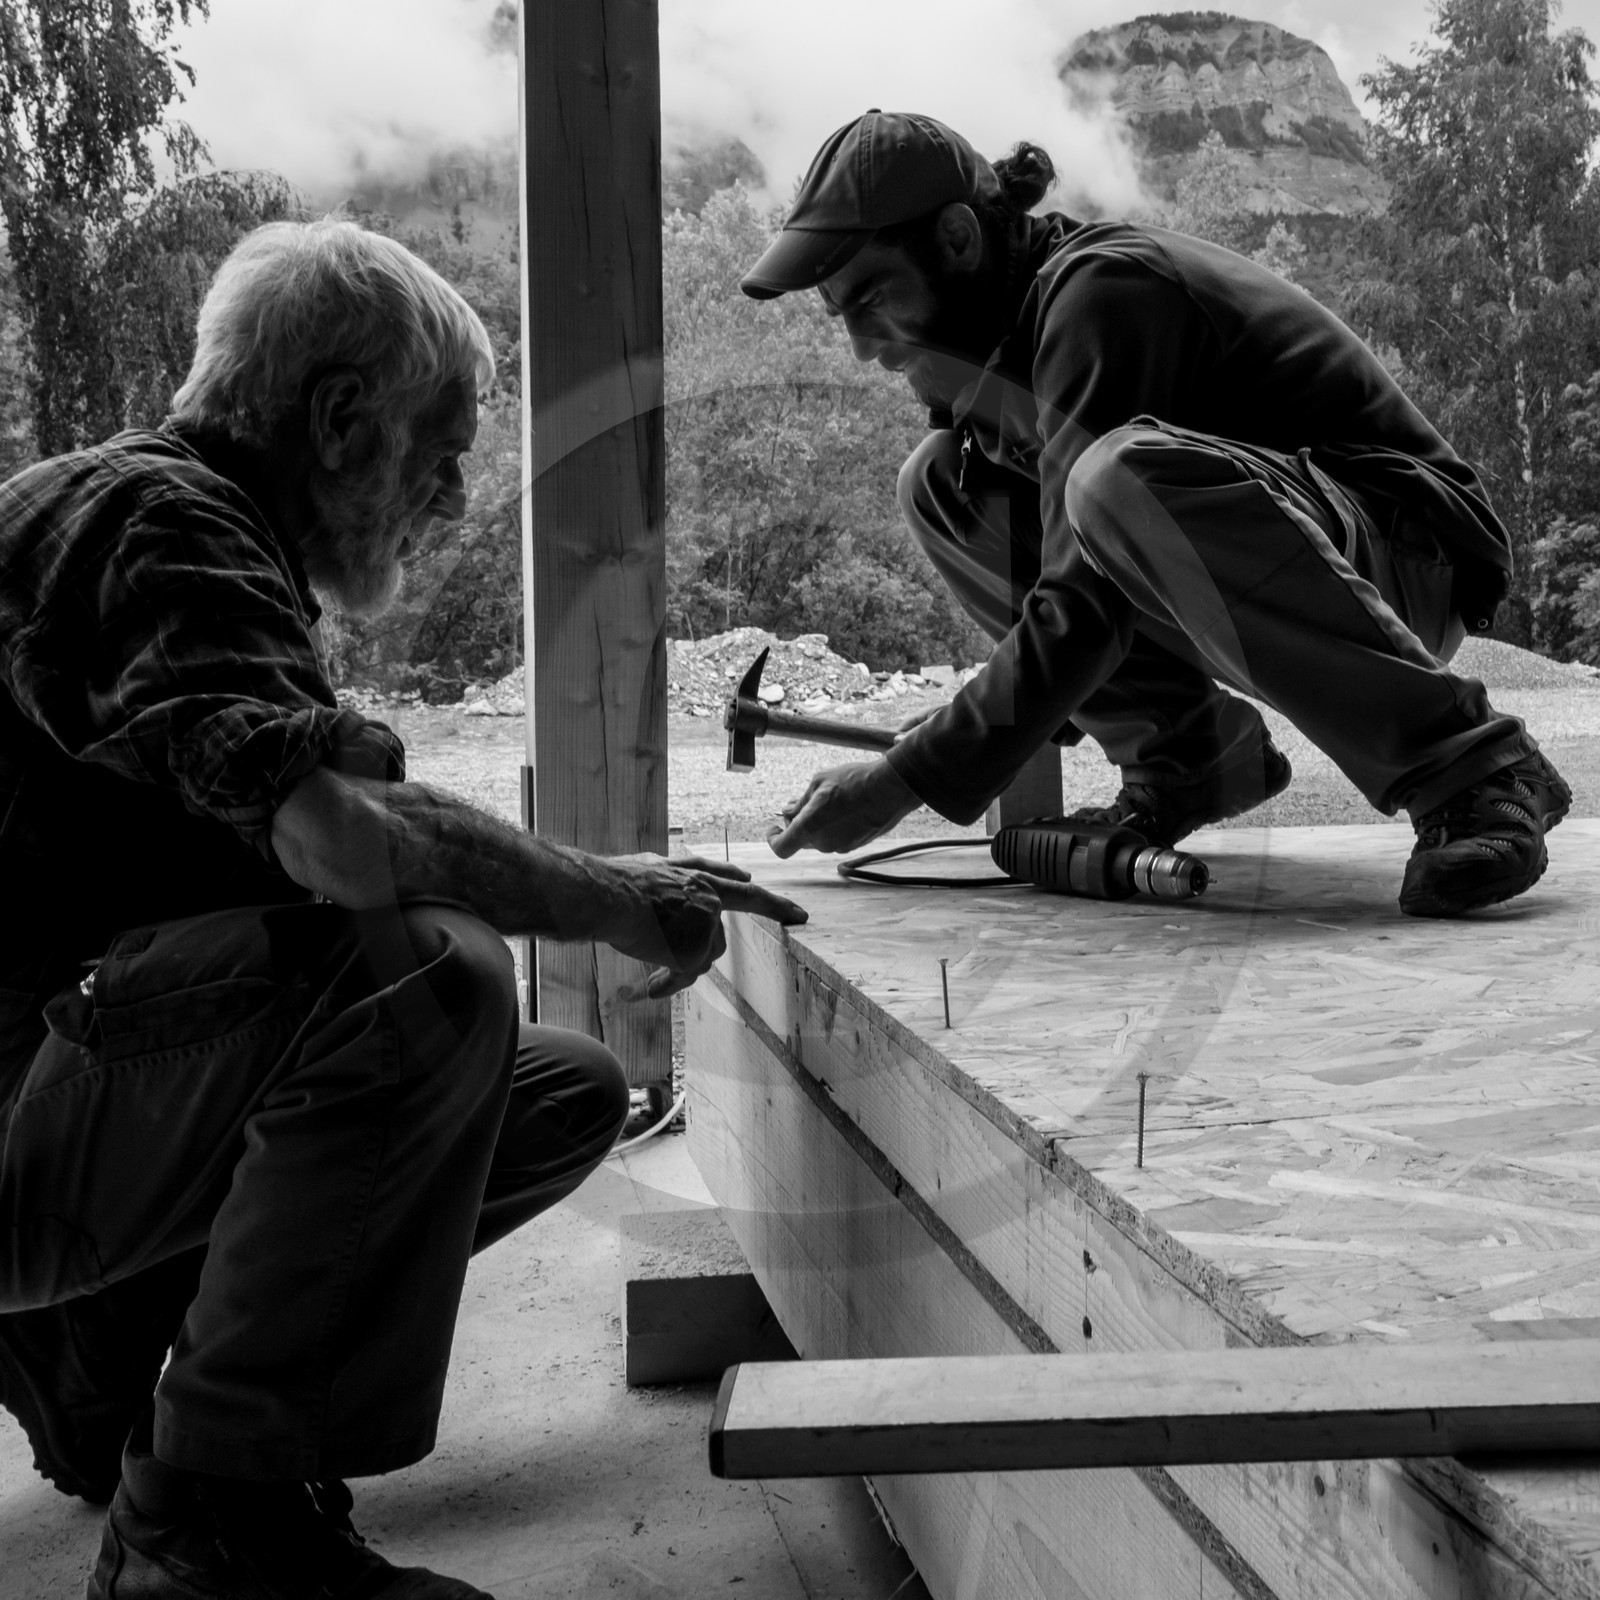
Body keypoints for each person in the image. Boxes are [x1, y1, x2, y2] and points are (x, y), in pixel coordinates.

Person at [0, 219, 805, 1599]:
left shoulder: (171, 522)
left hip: (57, 1084)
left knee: (556, 1090)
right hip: (22, 1111)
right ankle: (210, 1526)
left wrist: (596, 878)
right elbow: (349, 844)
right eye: (440, 449)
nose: (452, 494)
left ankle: (118, 1365)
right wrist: (611, 900)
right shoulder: (164, 523)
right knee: (427, 980)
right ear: (338, 418)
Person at [745, 109, 1570, 917]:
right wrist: (973, 727)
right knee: (941, 483)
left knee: (1115, 476)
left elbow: (1080, 605)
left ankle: (1477, 769)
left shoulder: (1102, 292)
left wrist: (904, 778)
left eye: (872, 299)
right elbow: (1068, 591)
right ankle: (1189, 759)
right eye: (840, 315)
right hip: (1294, 556)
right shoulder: (1004, 350)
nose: (862, 346)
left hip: (1404, 559)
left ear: (958, 239)